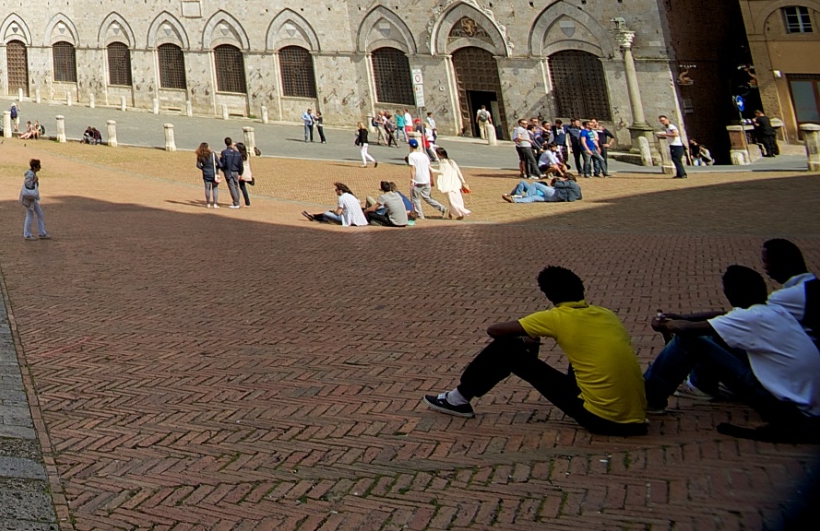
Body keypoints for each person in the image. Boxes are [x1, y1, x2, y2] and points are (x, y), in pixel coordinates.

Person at [424, 265, 649, 434]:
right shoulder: (606, 314)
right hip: (637, 418)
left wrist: (523, 341)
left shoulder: (557, 317)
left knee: (507, 348)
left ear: (549, 296)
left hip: (600, 419)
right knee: (585, 354)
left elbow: (495, 330)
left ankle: (457, 399)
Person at [644, 264, 820, 437]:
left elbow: (684, 330)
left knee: (690, 341)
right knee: (716, 335)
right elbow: (722, 316)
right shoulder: (774, 311)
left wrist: (665, 324)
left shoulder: (749, 318)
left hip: (787, 410)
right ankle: (703, 385)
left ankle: (650, 397)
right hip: (807, 407)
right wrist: (684, 317)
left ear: (730, 293)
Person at [408, 141, 450, 219]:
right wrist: (431, 179)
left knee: (415, 199)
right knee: (428, 198)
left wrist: (412, 180)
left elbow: (413, 169)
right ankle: (442, 208)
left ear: (410, 146)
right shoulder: (424, 155)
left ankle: (420, 215)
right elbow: (429, 168)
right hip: (426, 179)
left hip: (418, 180)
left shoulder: (411, 156)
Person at [303, 182, 368, 227]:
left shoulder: (342, 198)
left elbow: (338, 213)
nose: (335, 191)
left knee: (327, 213)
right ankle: (313, 216)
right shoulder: (353, 196)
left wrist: (333, 211)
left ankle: (314, 217)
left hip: (349, 219)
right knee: (328, 214)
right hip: (360, 219)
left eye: (336, 190)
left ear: (340, 191)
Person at [435, 154, 472, 220]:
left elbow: (441, 172)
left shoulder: (443, 163)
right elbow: (458, 171)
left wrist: (430, 169)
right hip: (455, 183)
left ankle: (460, 212)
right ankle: (452, 213)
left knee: (452, 200)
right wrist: (463, 181)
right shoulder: (451, 161)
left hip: (449, 184)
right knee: (456, 199)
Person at [19, 158, 48, 239]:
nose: (40, 167)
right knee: (30, 215)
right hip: (29, 198)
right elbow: (28, 185)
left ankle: (42, 232)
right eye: (39, 166)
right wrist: (35, 181)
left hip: (31, 198)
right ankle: (27, 234)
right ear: (35, 167)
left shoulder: (32, 174)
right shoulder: (30, 175)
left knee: (39, 214)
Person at [218, 137, 250, 207]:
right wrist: (240, 173)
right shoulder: (237, 153)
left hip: (228, 171)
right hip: (236, 171)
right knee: (236, 186)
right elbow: (240, 164)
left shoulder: (224, 152)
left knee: (232, 186)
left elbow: (223, 163)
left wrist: (223, 169)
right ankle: (237, 201)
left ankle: (236, 202)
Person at [658, 114, 688, 179]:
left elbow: (675, 134)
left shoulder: (671, 126)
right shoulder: (668, 127)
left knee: (676, 159)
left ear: (667, 119)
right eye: (661, 121)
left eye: (663, 120)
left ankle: (682, 174)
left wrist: (665, 134)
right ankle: (680, 174)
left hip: (676, 145)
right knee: (676, 160)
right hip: (674, 145)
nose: (663, 122)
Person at [195, 142, 219, 207]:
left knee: (207, 188)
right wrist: (217, 167)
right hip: (214, 173)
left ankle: (208, 203)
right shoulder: (213, 154)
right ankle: (215, 203)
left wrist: (203, 168)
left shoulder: (200, 155)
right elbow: (219, 163)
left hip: (206, 173)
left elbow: (198, 165)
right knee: (215, 188)